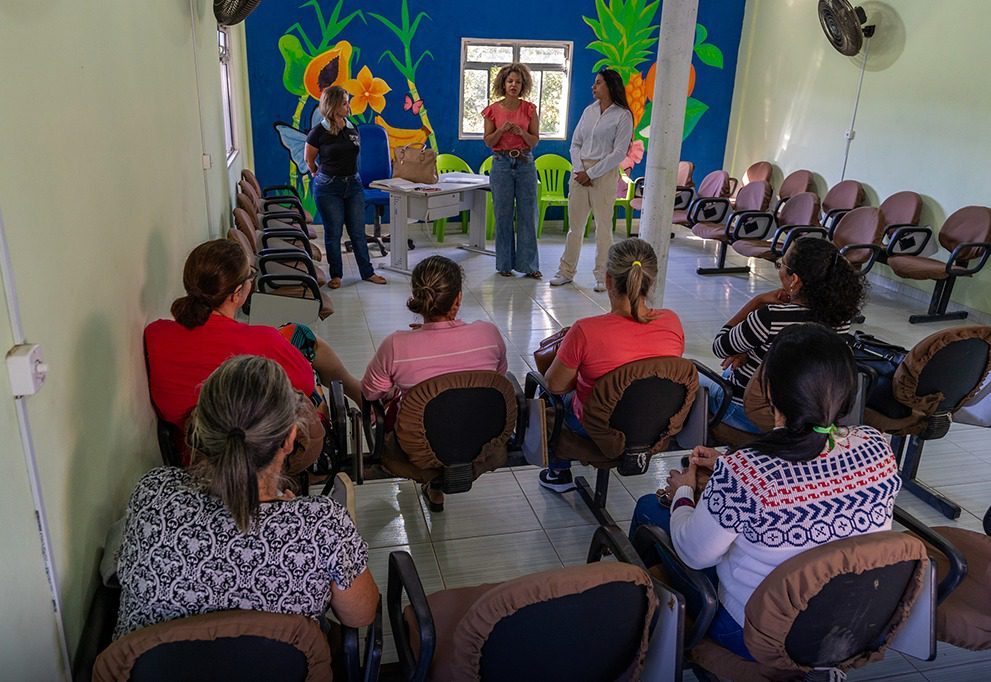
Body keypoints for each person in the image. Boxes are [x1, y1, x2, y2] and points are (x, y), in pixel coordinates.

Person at [629, 323, 902, 661]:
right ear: (847, 389)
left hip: (760, 633)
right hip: (853, 622)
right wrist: (731, 463)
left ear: (770, 391)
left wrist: (685, 491)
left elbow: (695, 555)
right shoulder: (877, 447)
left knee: (648, 510)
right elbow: (810, 467)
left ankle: (647, 640)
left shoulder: (749, 473)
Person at [114, 355, 379, 638]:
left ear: (201, 430)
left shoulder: (153, 492)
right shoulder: (323, 526)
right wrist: (296, 517)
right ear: (290, 438)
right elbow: (361, 615)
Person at [145, 239, 361, 464]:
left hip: (197, 456)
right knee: (310, 381)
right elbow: (305, 386)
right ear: (237, 293)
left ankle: (356, 389)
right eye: (250, 275)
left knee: (297, 333)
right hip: (261, 455)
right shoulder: (261, 342)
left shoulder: (156, 335)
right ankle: (357, 395)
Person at [538, 239, 685, 493]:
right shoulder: (672, 321)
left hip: (597, 428)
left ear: (608, 280)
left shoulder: (585, 331)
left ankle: (558, 472)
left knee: (546, 397)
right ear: (652, 280)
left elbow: (555, 385)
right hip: (653, 426)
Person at [362, 255, 508, 510]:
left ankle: (433, 480)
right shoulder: (489, 334)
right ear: (458, 298)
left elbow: (370, 393)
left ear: (418, 298)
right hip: (481, 440)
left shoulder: (396, 345)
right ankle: (438, 485)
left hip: (417, 450)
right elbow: (498, 376)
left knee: (401, 405)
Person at [706, 237, 867, 432]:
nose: (779, 268)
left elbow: (719, 346)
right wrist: (753, 350)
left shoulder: (769, 317)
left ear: (795, 279)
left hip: (748, 413)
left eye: (781, 264)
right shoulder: (841, 320)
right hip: (802, 413)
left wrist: (756, 302)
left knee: (694, 378)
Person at [550, 69, 634, 292]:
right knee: (574, 228)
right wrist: (580, 170)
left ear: (610, 86)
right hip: (580, 174)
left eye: (598, 83)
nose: (593, 87)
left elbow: (619, 152)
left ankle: (602, 275)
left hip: (603, 175)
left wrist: (593, 173)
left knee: (603, 228)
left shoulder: (623, 115)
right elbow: (575, 144)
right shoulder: (589, 111)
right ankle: (566, 272)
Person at [305, 85, 386, 289]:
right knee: (333, 232)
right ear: (332, 105)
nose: (348, 106)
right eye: (343, 102)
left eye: (347, 101)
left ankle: (367, 272)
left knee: (358, 231)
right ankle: (336, 275)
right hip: (328, 187)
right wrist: (318, 174)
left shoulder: (352, 127)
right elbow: (309, 159)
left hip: (353, 185)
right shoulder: (318, 132)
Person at [482, 63, 541, 279]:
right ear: (503, 84)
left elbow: (534, 140)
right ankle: (504, 265)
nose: (513, 85)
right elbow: (488, 141)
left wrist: (521, 133)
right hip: (501, 163)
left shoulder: (529, 109)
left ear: (523, 84)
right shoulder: (493, 110)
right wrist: (501, 130)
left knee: (528, 214)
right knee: (503, 214)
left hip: (525, 162)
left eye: (517, 82)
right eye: (510, 81)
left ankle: (529, 266)